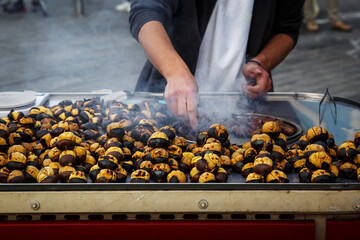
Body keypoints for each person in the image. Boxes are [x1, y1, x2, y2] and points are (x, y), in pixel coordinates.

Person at [129, 0, 305, 130]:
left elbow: (287, 28)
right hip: (171, 105)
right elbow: (145, 12)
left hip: (249, 109)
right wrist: (176, 72)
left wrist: (261, 62)